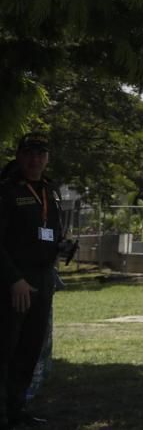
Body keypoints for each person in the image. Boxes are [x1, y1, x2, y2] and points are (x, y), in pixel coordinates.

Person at [1, 133, 63, 427]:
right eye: (29, 153)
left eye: (41, 153)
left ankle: (16, 409)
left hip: (43, 280)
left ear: (48, 157)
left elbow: (49, 230)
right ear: (18, 156)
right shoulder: (7, 191)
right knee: (7, 350)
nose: (35, 159)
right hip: (15, 283)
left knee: (30, 349)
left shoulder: (51, 190)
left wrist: (61, 246)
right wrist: (14, 280)